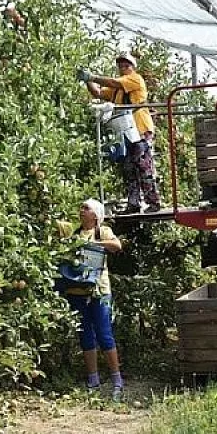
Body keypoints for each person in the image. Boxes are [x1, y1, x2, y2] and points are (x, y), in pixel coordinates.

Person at [79, 52, 161, 214]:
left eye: (127, 65)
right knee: (129, 167)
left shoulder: (134, 79)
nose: (123, 68)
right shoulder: (117, 89)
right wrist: (88, 81)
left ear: (133, 67)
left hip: (140, 129)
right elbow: (99, 93)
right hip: (125, 131)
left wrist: (92, 76)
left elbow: (112, 82)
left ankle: (153, 202)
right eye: (121, 66)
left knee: (143, 166)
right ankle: (133, 203)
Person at [64, 199, 125, 399]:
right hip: (76, 291)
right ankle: (93, 378)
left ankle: (117, 379)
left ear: (96, 215)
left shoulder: (102, 232)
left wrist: (92, 244)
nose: (82, 211)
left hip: (99, 291)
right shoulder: (74, 233)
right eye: (81, 207)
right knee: (85, 335)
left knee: (104, 333)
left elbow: (117, 246)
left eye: (86, 208)